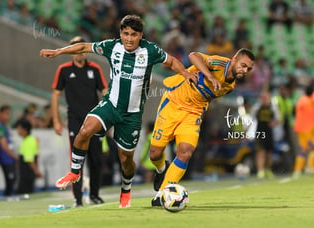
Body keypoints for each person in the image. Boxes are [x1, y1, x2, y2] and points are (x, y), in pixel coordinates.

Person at [39, 15, 197, 208]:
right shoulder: (112, 46)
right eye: (125, 34)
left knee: (126, 159)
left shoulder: (150, 50)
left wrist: (186, 73)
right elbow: (83, 47)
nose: (129, 39)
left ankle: (126, 188)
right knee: (84, 131)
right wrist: (58, 52)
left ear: (140, 35)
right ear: (120, 33)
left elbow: (171, 61)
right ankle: (74, 171)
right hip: (111, 105)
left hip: (132, 115)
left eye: (133, 35)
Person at [149, 48, 255, 206]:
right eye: (243, 65)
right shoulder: (219, 64)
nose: (244, 70)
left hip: (193, 114)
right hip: (173, 104)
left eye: (248, 68)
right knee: (155, 154)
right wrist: (209, 76)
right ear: (234, 60)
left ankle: (162, 194)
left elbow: (205, 97)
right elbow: (193, 55)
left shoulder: (230, 86)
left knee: (185, 153)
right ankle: (162, 168)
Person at [51, 36, 108, 207]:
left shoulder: (95, 69)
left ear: (84, 50)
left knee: (96, 159)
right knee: (77, 160)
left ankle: (94, 195)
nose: (78, 53)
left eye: (81, 49)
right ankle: (77, 199)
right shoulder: (64, 70)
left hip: (95, 120)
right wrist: (56, 120)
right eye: (74, 49)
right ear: (71, 52)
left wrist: (108, 115)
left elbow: (104, 91)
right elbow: (55, 94)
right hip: (75, 120)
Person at [252, 91, 280, 179]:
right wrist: (246, 131)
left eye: (266, 98)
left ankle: (268, 170)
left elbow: (279, 120)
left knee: (269, 153)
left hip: (269, 132)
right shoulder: (257, 107)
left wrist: (274, 124)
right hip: (260, 132)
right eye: (262, 98)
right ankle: (260, 171)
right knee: (260, 152)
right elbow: (251, 119)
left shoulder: (273, 108)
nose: (264, 100)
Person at [0, 105, 18, 197]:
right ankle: (7, 198)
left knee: (12, 180)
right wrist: (15, 156)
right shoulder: (0, 127)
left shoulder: (4, 126)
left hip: (9, 158)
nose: (8, 116)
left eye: (9, 114)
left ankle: (9, 197)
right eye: (6, 114)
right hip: (5, 158)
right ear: (0, 114)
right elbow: (4, 146)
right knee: (10, 180)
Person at [16, 118, 42, 195]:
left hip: (26, 174)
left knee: (24, 194)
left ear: (25, 129)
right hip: (26, 173)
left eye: (19, 128)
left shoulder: (29, 142)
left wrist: (37, 171)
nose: (18, 130)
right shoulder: (28, 140)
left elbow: (30, 160)